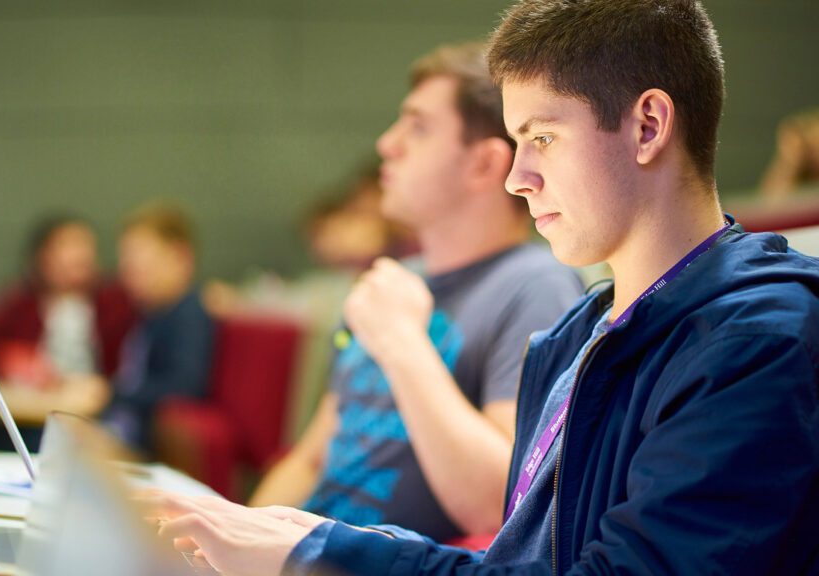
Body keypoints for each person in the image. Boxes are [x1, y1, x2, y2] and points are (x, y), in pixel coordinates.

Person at [149, 1, 819, 575]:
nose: (516, 177)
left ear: (647, 126)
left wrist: (321, 550)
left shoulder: (757, 339)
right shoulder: (583, 331)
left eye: (543, 138)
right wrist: (293, 540)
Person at [248, 41, 583, 542]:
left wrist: (403, 340)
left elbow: (499, 508)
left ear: (484, 166)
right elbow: (312, 456)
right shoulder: (391, 281)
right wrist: (232, 535)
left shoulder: (536, 285)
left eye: (418, 127)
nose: (387, 143)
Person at [0, 213, 134, 384]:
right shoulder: (22, 303)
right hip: (35, 411)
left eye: (85, 245)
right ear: (43, 257)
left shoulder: (116, 300)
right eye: (67, 246)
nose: (80, 255)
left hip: (100, 410)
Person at [101, 204, 215, 456]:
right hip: (120, 429)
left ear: (179, 256)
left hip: (143, 443)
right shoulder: (149, 313)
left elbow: (185, 384)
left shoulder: (187, 313)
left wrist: (109, 394)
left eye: (138, 255)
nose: (127, 267)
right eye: (125, 256)